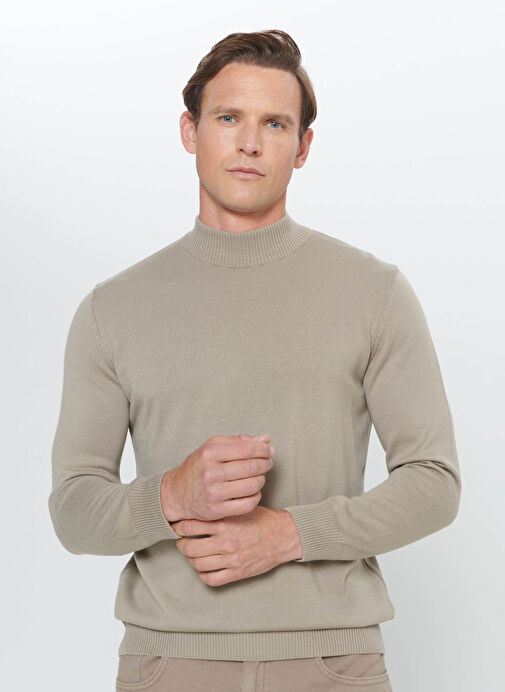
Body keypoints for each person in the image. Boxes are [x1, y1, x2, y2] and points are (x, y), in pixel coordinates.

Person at [48, 29, 461, 691]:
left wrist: (289, 535)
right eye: (228, 118)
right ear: (190, 130)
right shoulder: (112, 308)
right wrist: (172, 495)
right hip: (168, 664)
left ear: (302, 147)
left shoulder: (373, 292)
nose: (248, 143)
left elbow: (434, 483)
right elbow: (73, 509)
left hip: (333, 664)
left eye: (274, 123)